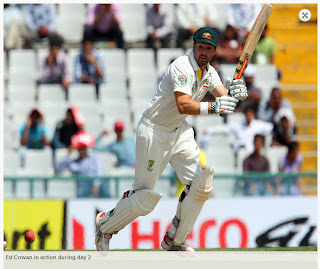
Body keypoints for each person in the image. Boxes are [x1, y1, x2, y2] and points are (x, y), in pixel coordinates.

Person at [94, 27, 247, 252]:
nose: (203, 52)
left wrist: (237, 95)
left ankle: (175, 240)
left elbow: (225, 103)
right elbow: (183, 104)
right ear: (194, 46)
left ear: (215, 51)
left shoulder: (210, 72)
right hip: (154, 131)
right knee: (144, 198)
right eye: (200, 46)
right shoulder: (181, 67)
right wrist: (216, 106)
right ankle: (106, 225)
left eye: (208, 48)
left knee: (201, 186)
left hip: (179, 131)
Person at [199, 106, 273, 158]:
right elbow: (225, 128)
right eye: (247, 113)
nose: (249, 115)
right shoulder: (238, 125)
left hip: (251, 152)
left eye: (251, 114)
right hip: (238, 152)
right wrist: (209, 130)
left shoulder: (258, 124)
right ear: (244, 114)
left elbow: (270, 127)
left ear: (253, 115)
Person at [54, 130, 111, 198]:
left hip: (96, 183)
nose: (83, 150)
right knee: (81, 192)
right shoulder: (74, 163)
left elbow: (100, 171)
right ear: (77, 149)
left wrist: (96, 184)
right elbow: (57, 168)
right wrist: (68, 154)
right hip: (83, 186)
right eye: (80, 148)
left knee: (104, 187)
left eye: (84, 148)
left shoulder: (94, 158)